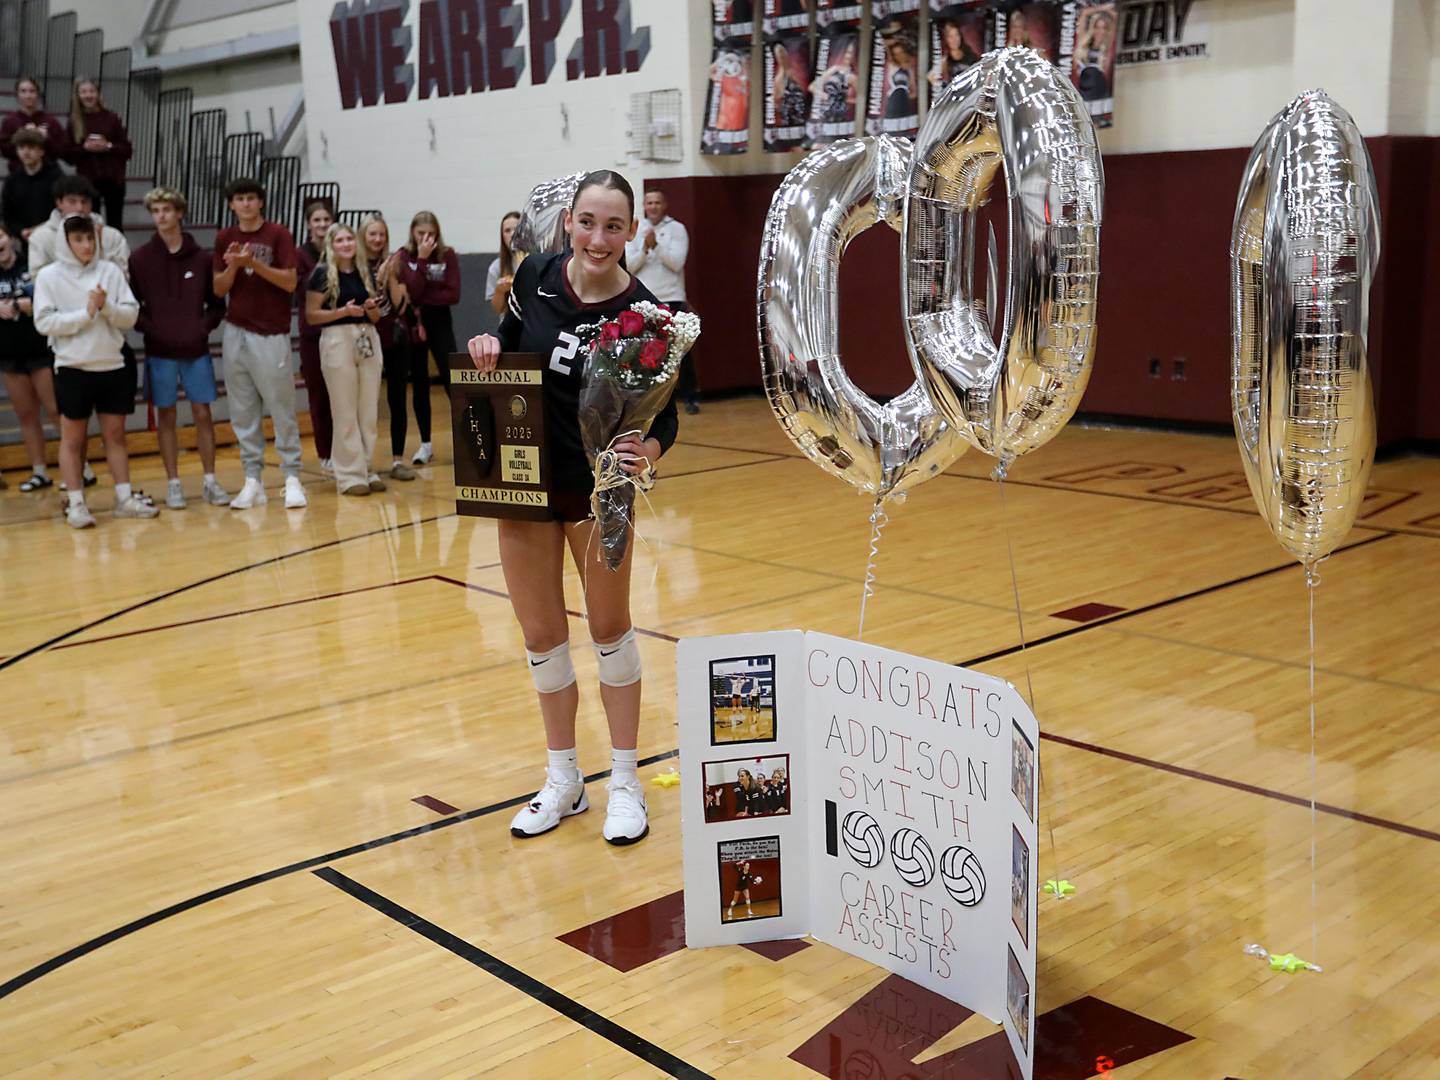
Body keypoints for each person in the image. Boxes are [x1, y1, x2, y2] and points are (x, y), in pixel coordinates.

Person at [466, 170, 679, 846]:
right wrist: (488, 351)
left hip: (602, 494)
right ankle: (565, 779)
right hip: (525, 482)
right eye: (587, 222)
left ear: (628, 232)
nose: (598, 237)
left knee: (611, 630)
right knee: (540, 636)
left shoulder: (645, 316)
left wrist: (651, 446)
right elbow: (506, 338)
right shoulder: (535, 277)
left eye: (613, 226)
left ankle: (624, 780)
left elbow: (664, 414)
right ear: (570, 223)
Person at [33, 216, 154, 527]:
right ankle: (76, 503)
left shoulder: (109, 271)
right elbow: (44, 322)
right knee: (72, 439)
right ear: (65, 242)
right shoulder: (49, 277)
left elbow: (129, 316)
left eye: (90, 239)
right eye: (78, 239)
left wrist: (105, 308)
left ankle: (124, 498)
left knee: (115, 436)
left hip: (113, 366)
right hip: (73, 368)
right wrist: (85, 314)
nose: (86, 245)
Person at [129, 187, 229, 509]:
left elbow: (217, 305)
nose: (161, 216)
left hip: (196, 351)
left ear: (179, 213)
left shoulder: (202, 258)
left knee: (202, 413)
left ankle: (210, 481)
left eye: (167, 210)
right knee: (166, 415)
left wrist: (200, 328)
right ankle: (173, 484)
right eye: (155, 210)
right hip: (159, 352)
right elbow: (131, 306)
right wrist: (153, 328)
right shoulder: (140, 259)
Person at [213, 178, 305, 510]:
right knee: (242, 410)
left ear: (261, 202)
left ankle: (292, 476)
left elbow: (290, 281)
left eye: (252, 198)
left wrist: (254, 264)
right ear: (231, 205)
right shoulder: (225, 238)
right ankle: (253, 479)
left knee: (281, 406)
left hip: (271, 332)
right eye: (240, 198)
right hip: (236, 330)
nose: (247, 203)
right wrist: (235, 266)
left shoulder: (278, 234)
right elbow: (219, 289)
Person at [305, 222, 385, 497]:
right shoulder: (321, 275)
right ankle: (350, 475)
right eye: (339, 240)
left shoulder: (366, 273)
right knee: (345, 409)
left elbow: (377, 316)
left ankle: (367, 466)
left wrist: (371, 309)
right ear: (331, 244)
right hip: (337, 339)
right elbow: (312, 315)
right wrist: (344, 312)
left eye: (350, 238)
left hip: (368, 337)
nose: (346, 244)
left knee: (368, 409)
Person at [625, 190, 698, 412]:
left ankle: (690, 397)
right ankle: (651, 399)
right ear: (644, 205)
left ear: (664, 204)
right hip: (646, 300)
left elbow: (676, 263)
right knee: (646, 351)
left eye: (658, 202)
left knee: (680, 351)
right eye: (649, 203)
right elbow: (629, 267)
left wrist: (657, 245)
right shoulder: (636, 230)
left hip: (672, 298)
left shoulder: (677, 229)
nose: (654, 206)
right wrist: (645, 248)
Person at [0, 222, 59, 492]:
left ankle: (81, 468)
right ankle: (39, 472)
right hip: (9, 355)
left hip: (39, 350)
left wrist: (27, 306)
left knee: (56, 410)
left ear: (9, 239)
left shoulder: (31, 265)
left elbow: (51, 298)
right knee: (26, 414)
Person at [399, 210, 461, 467]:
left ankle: (466, 440)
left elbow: (453, 294)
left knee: (452, 380)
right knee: (420, 384)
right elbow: (410, 292)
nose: (426, 239)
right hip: (414, 324)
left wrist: (422, 295)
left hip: (440, 323)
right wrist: (421, 262)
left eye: (431, 234)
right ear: (413, 233)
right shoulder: (405, 256)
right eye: (421, 234)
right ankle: (425, 444)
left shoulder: (447, 255)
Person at [359, 213, 417, 481]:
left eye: (381, 234)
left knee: (397, 399)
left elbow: (400, 304)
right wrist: (375, 281)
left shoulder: (395, 263)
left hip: (395, 338)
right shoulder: (355, 264)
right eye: (372, 234)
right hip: (367, 337)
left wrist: (391, 276)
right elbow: (362, 301)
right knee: (366, 402)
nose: (377, 239)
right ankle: (364, 462)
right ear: (364, 236)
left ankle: (397, 460)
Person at [293, 200, 335, 473]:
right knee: (319, 396)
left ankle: (345, 452)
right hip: (312, 334)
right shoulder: (300, 254)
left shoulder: (341, 249)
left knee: (341, 397)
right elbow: (302, 287)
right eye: (316, 220)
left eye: (326, 220)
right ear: (309, 224)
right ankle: (325, 454)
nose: (321, 225)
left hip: (341, 331)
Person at [27, 175, 130, 275]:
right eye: (72, 201)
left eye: (85, 202)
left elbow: (122, 277)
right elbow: (39, 279)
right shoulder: (40, 238)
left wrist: (99, 249)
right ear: (59, 203)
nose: (80, 208)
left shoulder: (113, 237)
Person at [65, 78, 132, 230]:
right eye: (83, 92)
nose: (88, 95)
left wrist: (107, 146)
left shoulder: (111, 118)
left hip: (113, 179)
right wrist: (85, 148)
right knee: (91, 223)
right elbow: (68, 155)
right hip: (87, 181)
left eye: (91, 91)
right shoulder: (74, 121)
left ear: (98, 94)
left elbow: (127, 150)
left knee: (115, 223)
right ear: (78, 95)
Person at [1, 129, 64, 245]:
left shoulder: (56, 177)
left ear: (41, 151)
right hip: (23, 238)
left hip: (53, 236)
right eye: (21, 148)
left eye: (30, 147)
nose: (25, 152)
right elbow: (7, 214)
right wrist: (21, 231)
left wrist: (41, 229)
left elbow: (62, 209)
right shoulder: (12, 180)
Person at [0, 76, 69, 169]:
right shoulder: (10, 120)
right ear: (17, 94)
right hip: (18, 173)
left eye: (32, 91)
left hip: (47, 173)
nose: (28, 96)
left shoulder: (50, 121)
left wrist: (46, 138)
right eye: (23, 91)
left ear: (37, 94)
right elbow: (5, 152)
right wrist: (20, 137)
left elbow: (63, 151)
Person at [484, 211, 522, 316]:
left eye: (516, 229)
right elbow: (497, 309)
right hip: (511, 326)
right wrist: (500, 291)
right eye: (507, 231)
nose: (512, 234)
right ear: (502, 236)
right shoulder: (496, 267)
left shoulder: (539, 259)